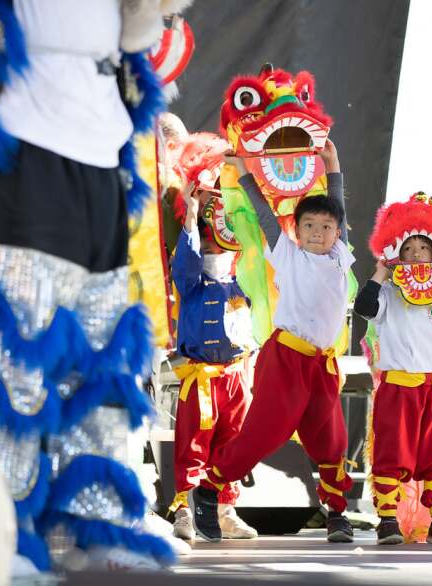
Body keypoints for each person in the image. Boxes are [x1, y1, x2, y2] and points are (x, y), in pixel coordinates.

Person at [0, 0, 185, 573]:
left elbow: (140, 33)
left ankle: (98, 522)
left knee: (101, 358)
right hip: (21, 149)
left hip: (102, 159)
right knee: (11, 354)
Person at [188, 140, 356, 543]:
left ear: (336, 232)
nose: (319, 233)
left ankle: (337, 513)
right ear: (296, 231)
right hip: (285, 359)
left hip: (321, 364)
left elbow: (338, 208)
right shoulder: (287, 254)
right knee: (264, 435)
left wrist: (333, 166)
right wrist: (244, 171)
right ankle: (209, 489)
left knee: (331, 440)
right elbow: (263, 212)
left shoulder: (339, 256)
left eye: (326, 227)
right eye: (310, 226)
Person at [355, 193, 432, 545]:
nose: (415, 255)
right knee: (392, 452)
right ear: (397, 253)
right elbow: (364, 307)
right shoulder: (390, 292)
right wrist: (380, 273)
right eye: (408, 249)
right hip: (399, 386)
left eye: (423, 248)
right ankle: (388, 518)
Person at [168, 147, 258, 541]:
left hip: (236, 376)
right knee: (193, 444)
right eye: (208, 244)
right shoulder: (192, 282)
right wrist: (191, 215)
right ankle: (184, 511)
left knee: (234, 443)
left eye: (223, 243)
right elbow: (186, 259)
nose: (215, 250)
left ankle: (225, 510)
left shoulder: (243, 283)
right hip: (200, 379)